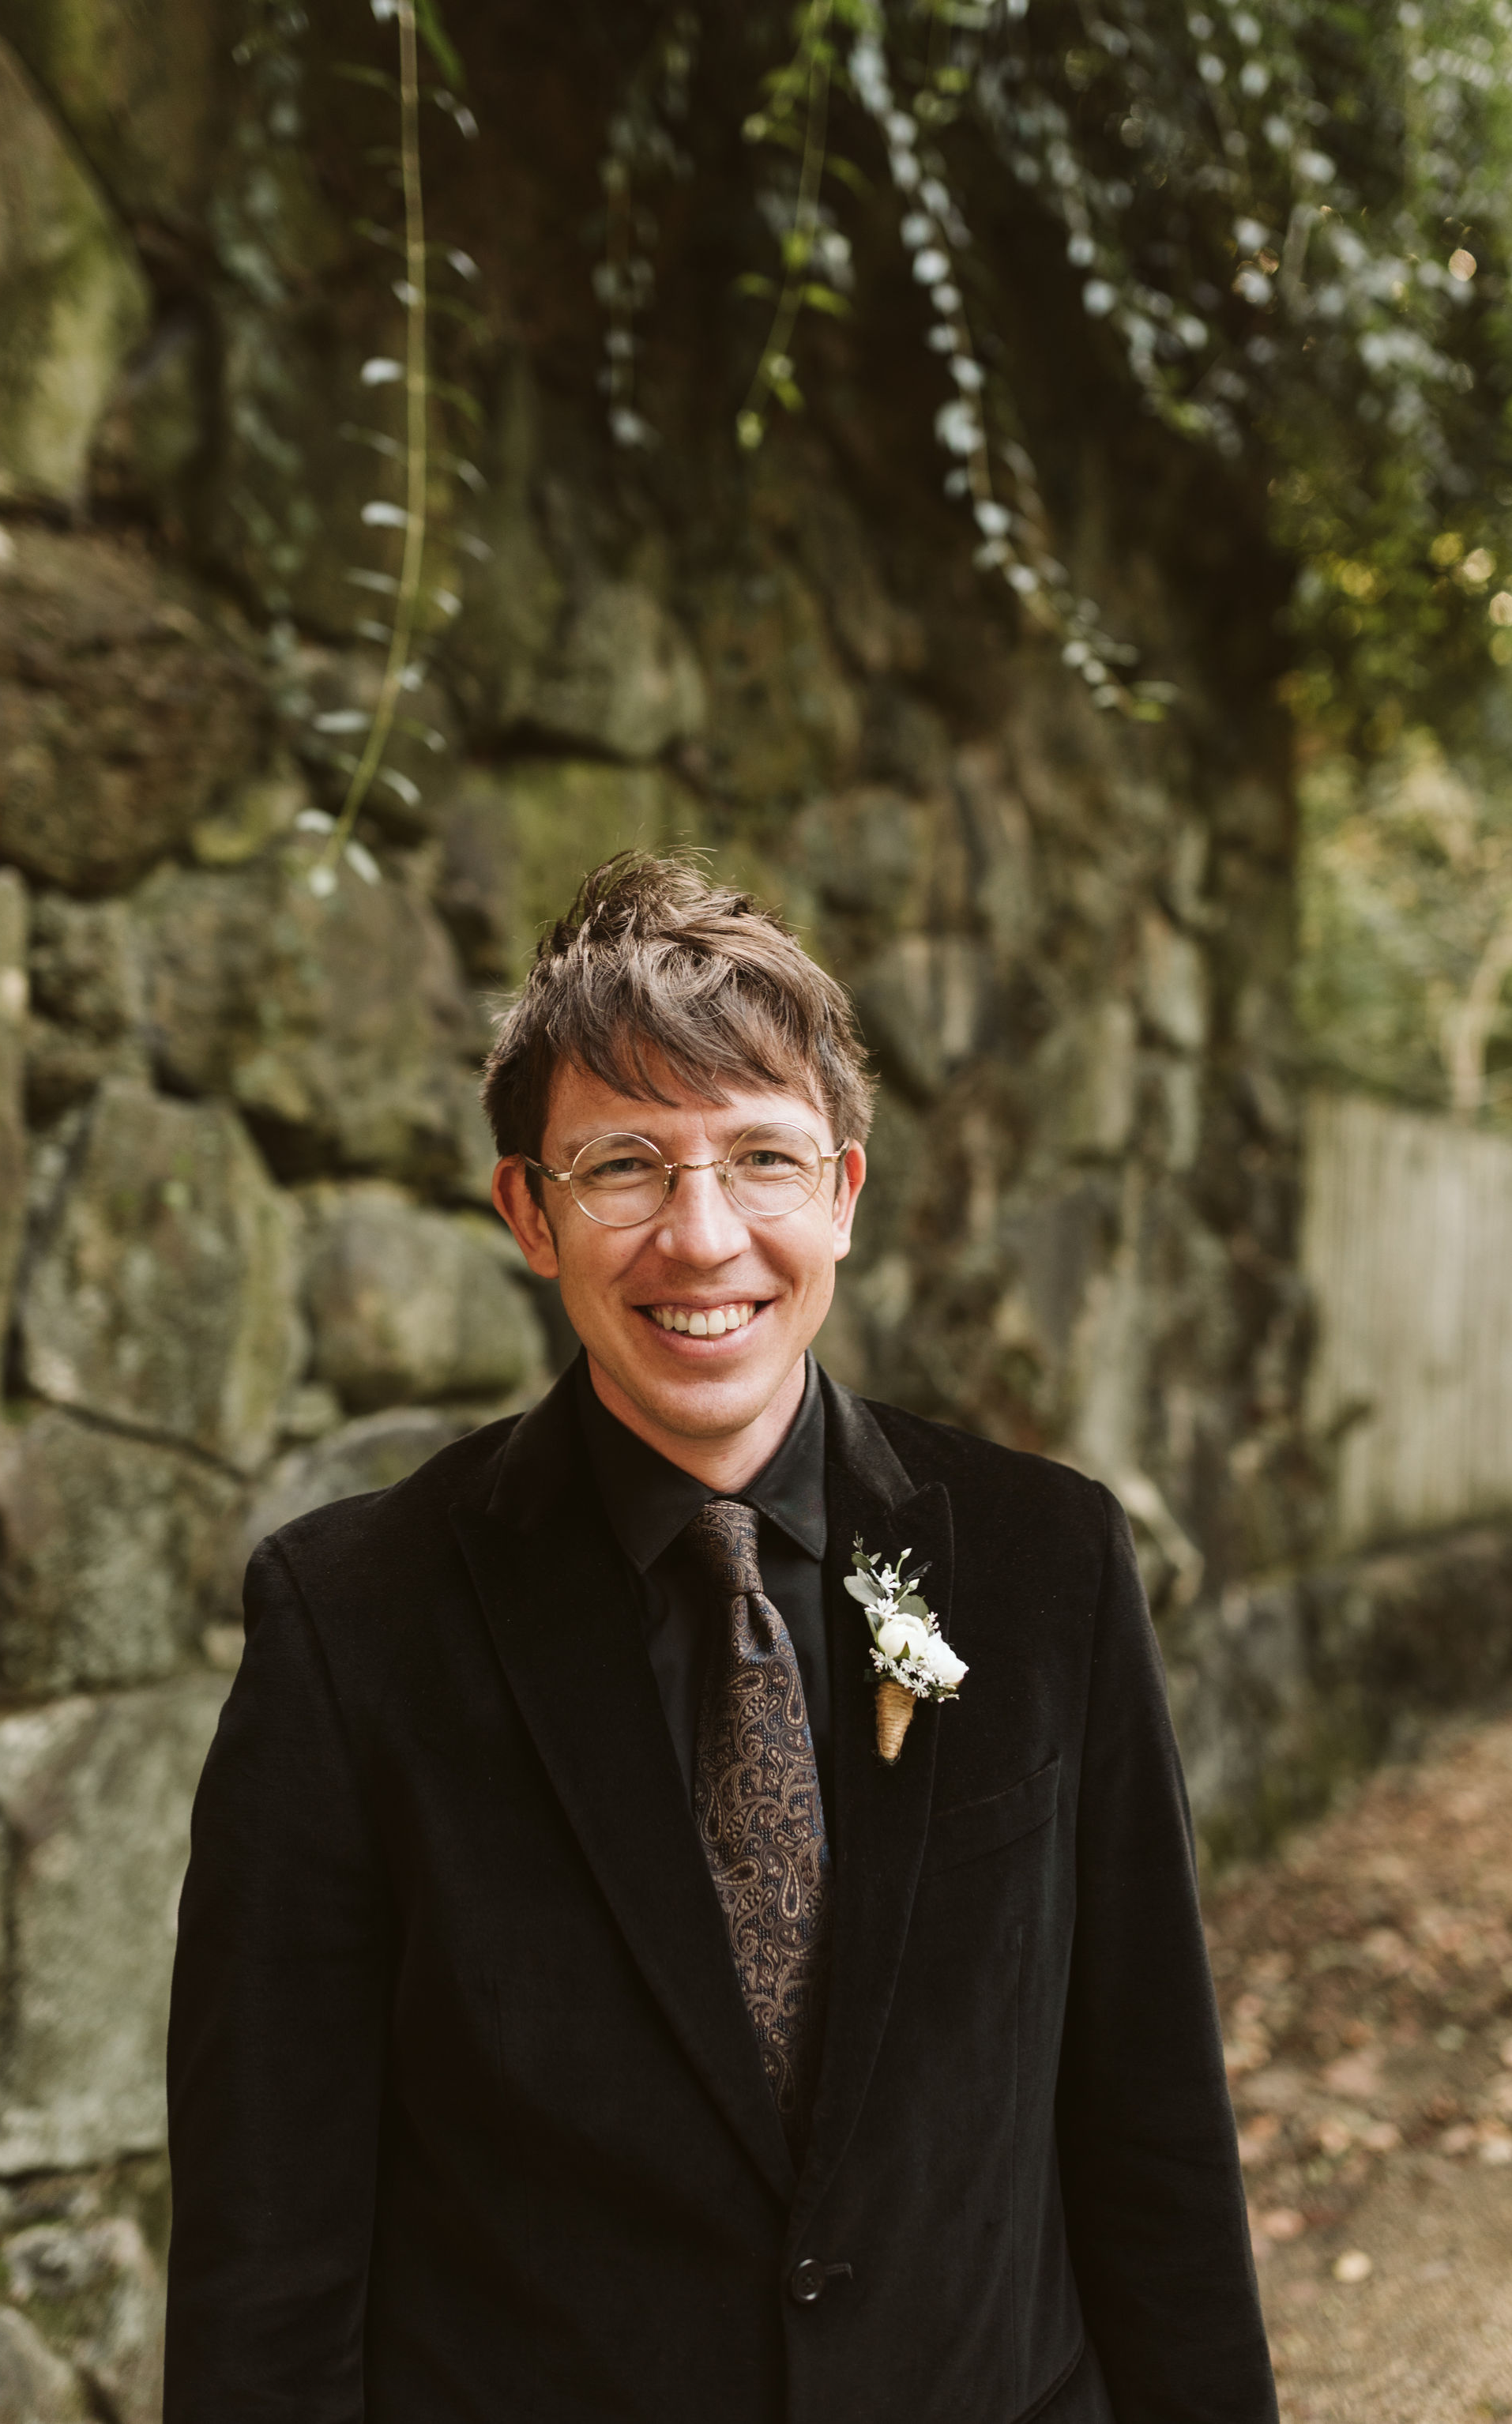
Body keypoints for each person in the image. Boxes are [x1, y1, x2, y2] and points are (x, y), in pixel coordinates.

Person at [164, 854, 1277, 2424]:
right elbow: (266, 2245)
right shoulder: (351, 1625)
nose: (701, 1239)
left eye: (760, 1157)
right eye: (622, 1165)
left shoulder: (1046, 1565)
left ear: (842, 1192)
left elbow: (1152, 2127)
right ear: (526, 1212)